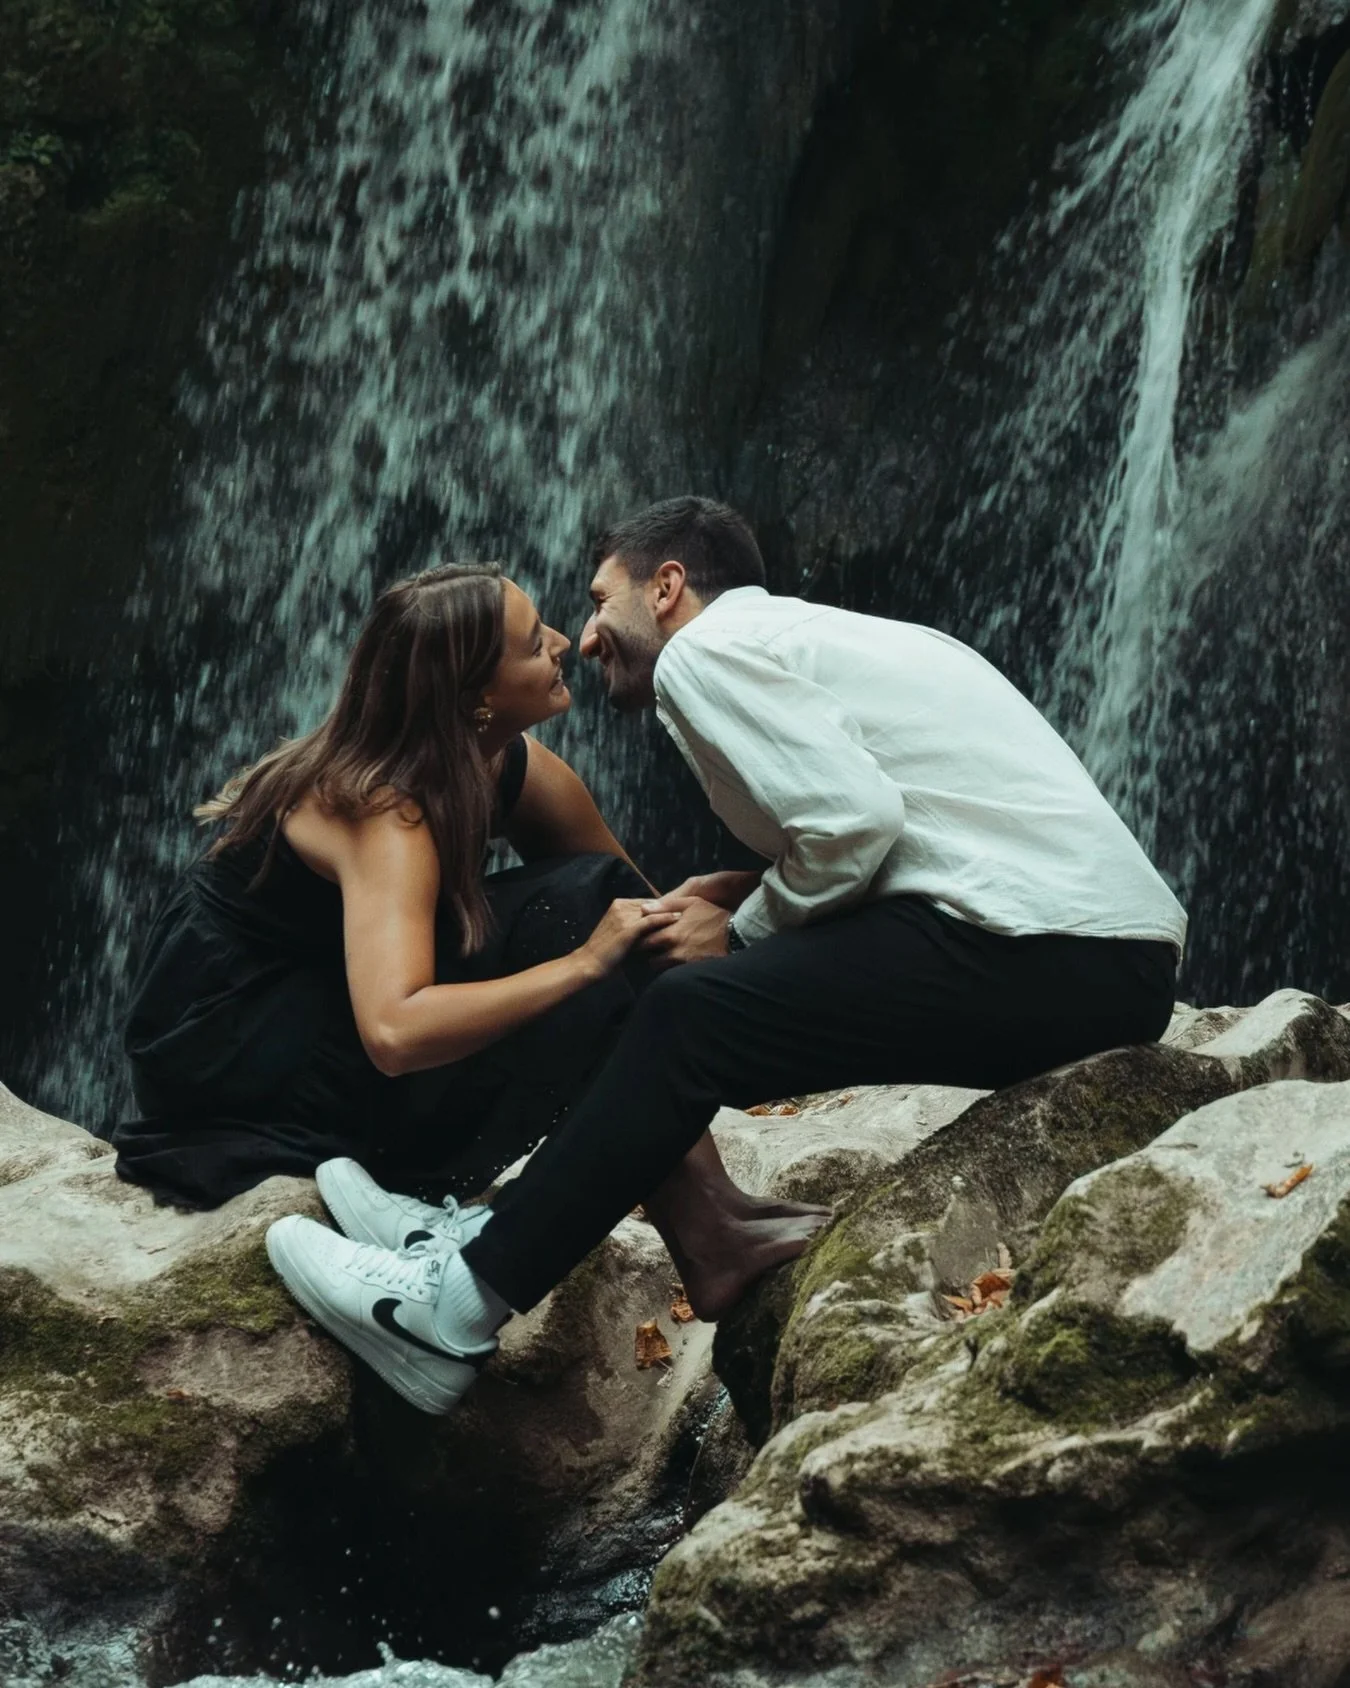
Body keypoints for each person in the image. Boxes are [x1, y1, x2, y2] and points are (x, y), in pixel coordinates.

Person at [264, 499, 1187, 1415]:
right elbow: (911, 826)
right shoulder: (820, 639)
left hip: (1050, 952)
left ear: (667, 588)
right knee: (678, 981)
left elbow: (857, 823)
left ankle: (452, 1308)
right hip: (1097, 958)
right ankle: (541, 1232)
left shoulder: (705, 653)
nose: (584, 638)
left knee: (688, 1014)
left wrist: (745, 929)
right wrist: (751, 893)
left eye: (597, 600)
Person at [113, 562, 726, 1223]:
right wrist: (583, 964)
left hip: (337, 994)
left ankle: (714, 1220)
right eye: (529, 642)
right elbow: (394, 1031)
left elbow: (640, 914)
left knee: (599, 907)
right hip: (237, 1048)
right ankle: (710, 1234)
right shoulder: (385, 809)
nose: (561, 641)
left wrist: (755, 899)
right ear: (473, 699)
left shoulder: (508, 764)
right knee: (579, 924)